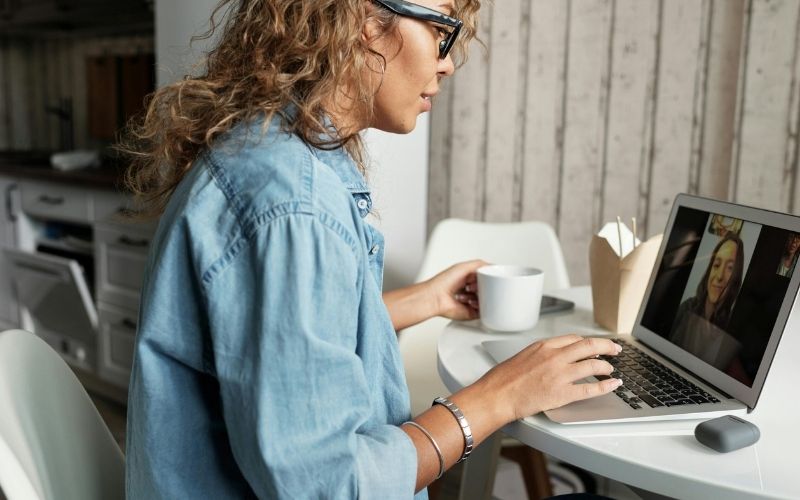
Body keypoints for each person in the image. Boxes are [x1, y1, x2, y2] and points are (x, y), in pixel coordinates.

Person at [121, 0, 622, 497]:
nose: (447, 62)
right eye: (441, 27)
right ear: (362, 21)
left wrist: (427, 299)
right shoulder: (296, 206)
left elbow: (282, 343)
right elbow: (332, 485)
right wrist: (498, 398)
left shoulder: (264, 155)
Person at [670, 235, 744, 369]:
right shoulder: (687, 308)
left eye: (730, 268)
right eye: (716, 265)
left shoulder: (731, 330)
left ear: (736, 278)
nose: (720, 276)